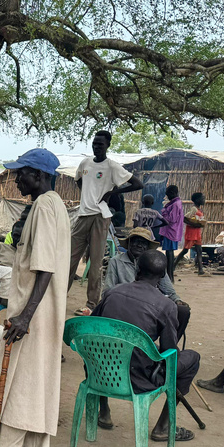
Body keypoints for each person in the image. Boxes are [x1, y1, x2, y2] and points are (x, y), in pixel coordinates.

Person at [0, 149, 70, 447]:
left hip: (32, 315)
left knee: (16, 386)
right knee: (38, 382)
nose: (16, 180)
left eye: (21, 174)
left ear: (39, 176)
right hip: (45, 313)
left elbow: (43, 268)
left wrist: (25, 315)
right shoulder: (54, 205)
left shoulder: (43, 207)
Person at [91, 250, 202, 442]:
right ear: (161, 276)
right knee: (191, 358)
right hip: (138, 379)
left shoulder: (111, 293)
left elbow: (92, 329)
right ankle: (163, 427)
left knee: (104, 346)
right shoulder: (165, 305)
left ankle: (104, 412)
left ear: (137, 269)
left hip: (101, 372)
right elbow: (170, 355)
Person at [68, 130, 143, 315]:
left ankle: (91, 304)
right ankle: (59, 297)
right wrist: (86, 194)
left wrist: (112, 192)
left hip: (100, 217)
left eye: (100, 144)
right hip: (82, 215)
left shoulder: (112, 167)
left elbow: (137, 184)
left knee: (95, 263)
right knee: (69, 259)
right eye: (94, 143)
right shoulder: (85, 163)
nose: (96, 147)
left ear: (108, 145)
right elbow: (78, 179)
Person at [102, 227, 190, 338]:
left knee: (183, 311)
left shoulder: (154, 262)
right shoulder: (116, 261)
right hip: (124, 306)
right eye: (135, 241)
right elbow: (107, 291)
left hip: (149, 306)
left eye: (143, 243)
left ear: (148, 248)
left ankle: (166, 349)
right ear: (129, 243)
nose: (138, 245)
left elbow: (169, 291)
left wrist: (177, 300)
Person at [159, 185, 185, 281]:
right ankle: (170, 276)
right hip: (173, 231)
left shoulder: (175, 205)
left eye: (168, 195)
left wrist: (164, 212)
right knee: (169, 252)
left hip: (171, 231)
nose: (167, 197)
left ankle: (170, 277)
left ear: (172, 194)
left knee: (169, 253)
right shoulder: (177, 203)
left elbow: (171, 219)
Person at [183, 192, 206, 275]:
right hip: (192, 233)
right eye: (202, 198)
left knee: (199, 250)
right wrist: (194, 225)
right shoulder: (194, 209)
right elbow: (184, 218)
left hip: (197, 233)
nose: (204, 200)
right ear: (197, 200)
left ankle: (201, 270)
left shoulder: (198, 209)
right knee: (185, 250)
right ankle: (173, 266)